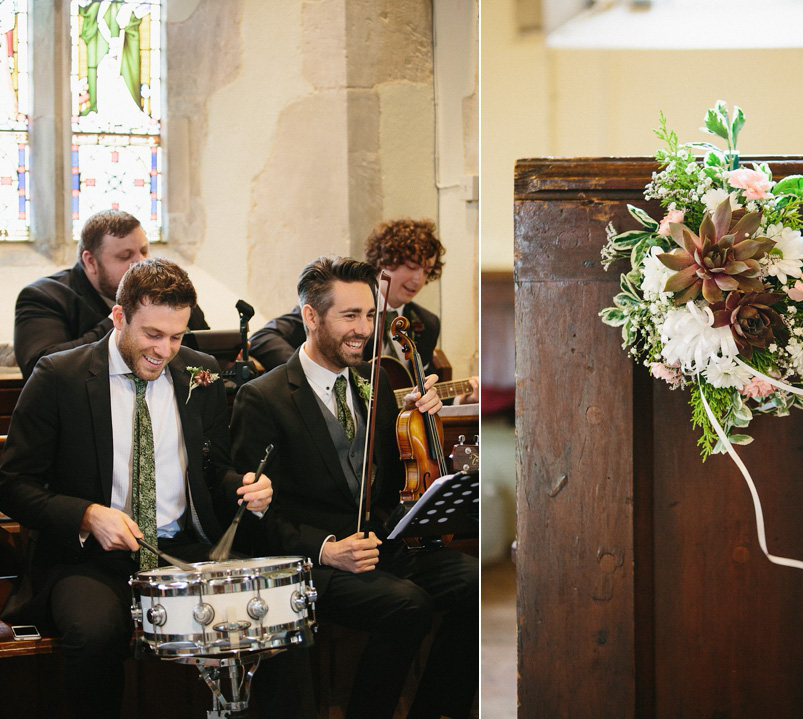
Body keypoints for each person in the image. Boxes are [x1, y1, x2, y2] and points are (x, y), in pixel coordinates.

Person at [0, 258, 271, 719]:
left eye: (177, 336)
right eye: (152, 334)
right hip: (89, 559)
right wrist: (87, 514)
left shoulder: (199, 373)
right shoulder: (59, 376)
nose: (165, 350)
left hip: (184, 549)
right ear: (120, 317)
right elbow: (12, 484)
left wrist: (245, 486)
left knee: (267, 613)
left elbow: (215, 471)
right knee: (95, 633)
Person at [231, 255, 479, 719]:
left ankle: (434, 711)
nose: (363, 329)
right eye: (349, 316)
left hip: (381, 546)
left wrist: (420, 420)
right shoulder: (262, 398)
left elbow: (391, 480)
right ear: (310, 316)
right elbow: (255, 520)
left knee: (478, 582)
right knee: (407, 606)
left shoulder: (377, 383)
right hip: (316, 561)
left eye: (369, 315)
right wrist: (326, 549)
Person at [14, 209, 208, 379]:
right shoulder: (43, 297)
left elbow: (207, 348)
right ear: (90, 261)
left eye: (144, 251)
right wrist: (120, 318)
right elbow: (39, 368)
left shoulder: (163, 294)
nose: (140, 262)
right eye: (125, 256)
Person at [248, 217, 444, 373]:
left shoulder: (428, 323)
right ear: (385, 261)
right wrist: (305, 372)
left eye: (426, 271)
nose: (418, 280)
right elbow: (264, 336)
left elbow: (423, 387)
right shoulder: (342, 301)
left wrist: (463, 401)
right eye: (411, 267)